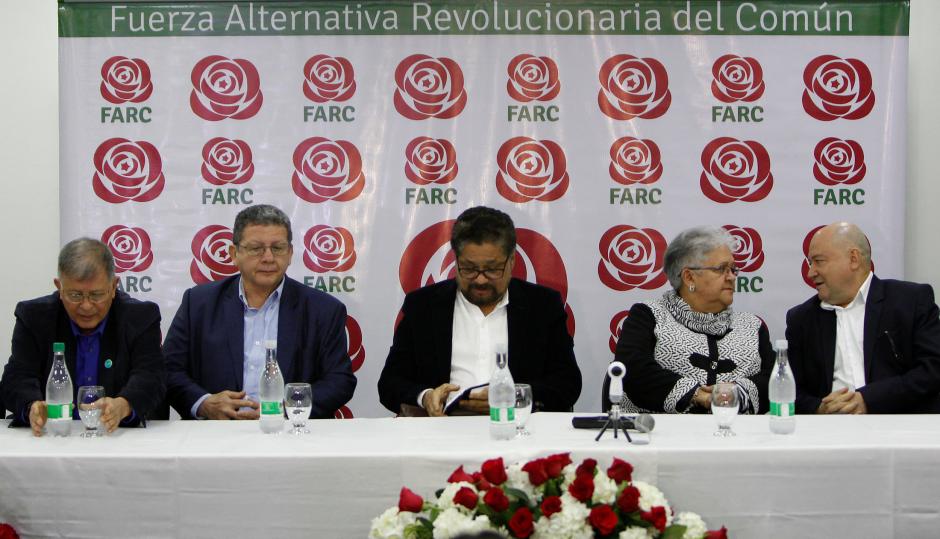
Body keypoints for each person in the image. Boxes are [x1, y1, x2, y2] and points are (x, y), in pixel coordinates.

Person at [378, 206, 582, 416]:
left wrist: (512, 396)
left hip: (517, 429)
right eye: (469, 268)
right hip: (441, 430)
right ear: (455, 261)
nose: (481, 279)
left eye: (493, 269)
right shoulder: (423, 306)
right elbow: (390, 383)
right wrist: (426, 396)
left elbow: (567, 383)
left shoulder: (542, 306)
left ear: (511, 260)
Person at [164, 204, 356, 419]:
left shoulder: (323, 309)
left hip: (291, 434)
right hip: (214, 433)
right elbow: (169, 370)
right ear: (234, 253)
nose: (268, 258)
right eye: (256, 248)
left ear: (290, 253)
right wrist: (204, 403)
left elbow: (339, 381)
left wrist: (286, 409)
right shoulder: (199, 303)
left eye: (278, 248)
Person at [0, 238, 165, 435]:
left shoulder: (140, 317)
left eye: (96, 295)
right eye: (75, 295)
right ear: (59, 287)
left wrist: (123, 405)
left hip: (116, 437)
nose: (86, 306)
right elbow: (17, 377)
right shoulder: (34, 317)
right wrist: (32, 406)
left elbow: (151, 376)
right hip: (52, 435)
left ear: (114, 287)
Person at [614, 226, 773, 414]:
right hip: (658, 438)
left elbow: (774, 381)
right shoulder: (648, 316)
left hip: (736, 438)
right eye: (722, 269)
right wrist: (697, 395)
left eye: (733, 269)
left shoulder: (752, 326)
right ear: (689, 277)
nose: (731, 277)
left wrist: (736, 393)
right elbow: (633, 371)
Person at [786, 222, 940, 413]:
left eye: (819, 261)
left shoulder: (910, 301)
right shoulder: (801, 319)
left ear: (853, 259)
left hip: (900, 424)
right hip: (829, 431)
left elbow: (932, 370)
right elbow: (789, 391)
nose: (810, 273)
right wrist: (820, 408)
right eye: (810, 263)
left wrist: (868, 400)